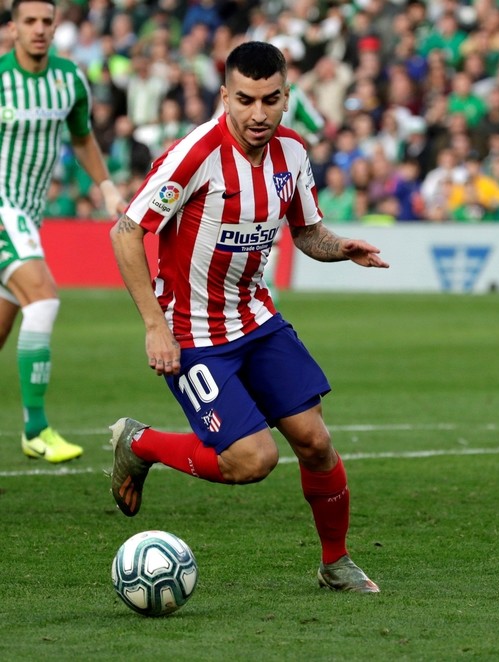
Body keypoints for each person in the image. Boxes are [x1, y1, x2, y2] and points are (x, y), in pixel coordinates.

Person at [108, 42, 388, 594]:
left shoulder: (293, 153)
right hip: (191, 330)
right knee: (251, 460)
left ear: (287, 97)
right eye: (245, 100)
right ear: (224, 97)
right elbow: (126, 233)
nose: (258, 114)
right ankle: (140, 445)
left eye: (270, 99)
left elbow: (306, 232)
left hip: (256, 319)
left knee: (315, 441)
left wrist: (341, 249)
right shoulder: (194, 154)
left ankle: (336, 562)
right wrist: (154, 325)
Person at [0, 0, 126, 463]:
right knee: (45, 298)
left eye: (46, 21)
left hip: (27, 216)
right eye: (28, 21)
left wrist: (109, 190)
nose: (38, 29)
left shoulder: (68, 80)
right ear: (12, 27)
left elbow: (82, 138)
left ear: (56, 27)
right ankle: (36, 429)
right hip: (1, 209)